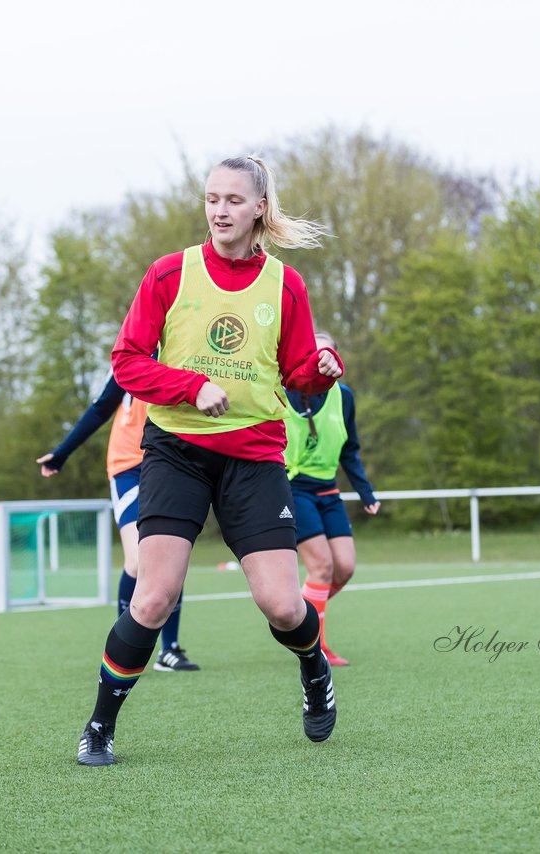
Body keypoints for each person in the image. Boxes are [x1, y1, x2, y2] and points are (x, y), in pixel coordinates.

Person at [76, 155, 343, 766]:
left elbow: (299, 380)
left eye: (232, 200)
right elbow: (127, 361)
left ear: (259, 209)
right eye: (211, 198)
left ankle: (314, 667)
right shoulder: (170, 274)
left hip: (255, 457)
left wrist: (322, 374)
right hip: (177, 451)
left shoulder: (287, 284)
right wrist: (190, 387)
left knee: (280, 604)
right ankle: (99, 725)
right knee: (152, 595)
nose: (219, 210)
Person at [37, 369, 200, 672]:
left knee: (171, 558)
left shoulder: (188, 351)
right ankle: (123, 645)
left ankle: (170, 650)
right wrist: (61, 453)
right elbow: (100, 408)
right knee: (139, 562)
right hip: (129, 468)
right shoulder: (133, 358)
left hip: (171, 462)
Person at [284, 332, 380, 667]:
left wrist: (365, 491)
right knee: (321, 567)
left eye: (328, 354)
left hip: (328, 491)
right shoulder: (282, 393)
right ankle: (316, 648)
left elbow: (350, 449)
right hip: (292, 489)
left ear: (337, 363)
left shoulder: (345, 397)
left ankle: (295, 614)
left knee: (345, 567)